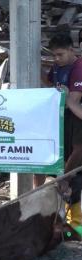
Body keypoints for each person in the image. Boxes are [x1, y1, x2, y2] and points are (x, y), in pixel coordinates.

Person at [44, 34, 82, 236]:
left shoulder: (79, 69)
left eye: (60, 54)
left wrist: (67, 99)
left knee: (73, 171)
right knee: (67, 168)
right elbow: (50, 79)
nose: (56, 59)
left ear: (71, 50)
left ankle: (77, 226)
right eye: (53, 55)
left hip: (76, 119)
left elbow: (73, 102)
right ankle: (68, 222)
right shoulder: (58, 67)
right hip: (65, 120)